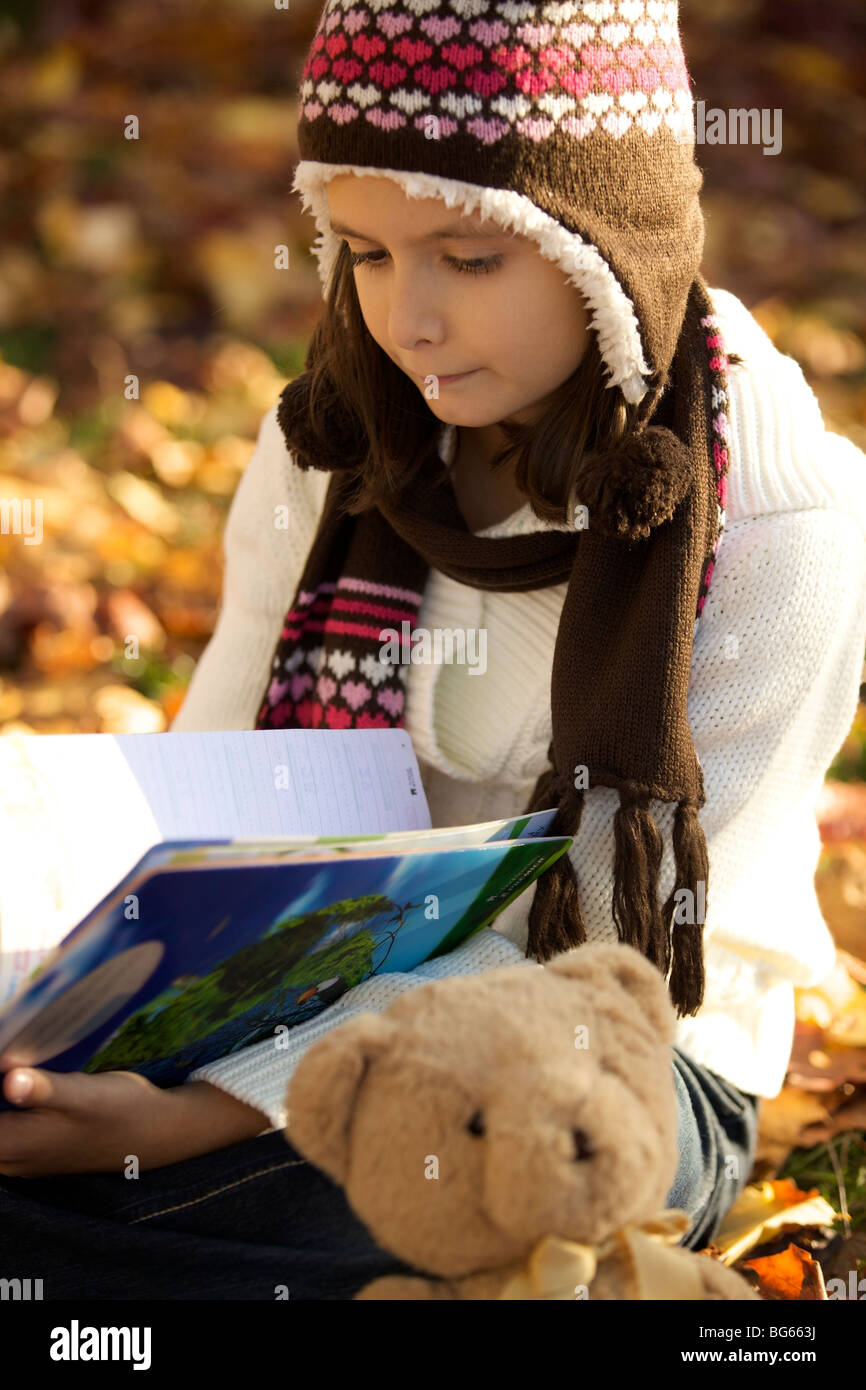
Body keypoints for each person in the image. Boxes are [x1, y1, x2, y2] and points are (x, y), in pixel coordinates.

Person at [1, 0, 865, 1300]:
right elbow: (214, 805)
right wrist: (102, 1024)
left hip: (595, 1059)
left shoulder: (779, 514)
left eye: (469, 257)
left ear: (601, 245)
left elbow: (615, 963)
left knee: (438, 1152)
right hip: (276, 1003)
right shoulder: (334, 437)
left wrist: (199, 1115)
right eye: (364, 251)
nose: (407, 320)